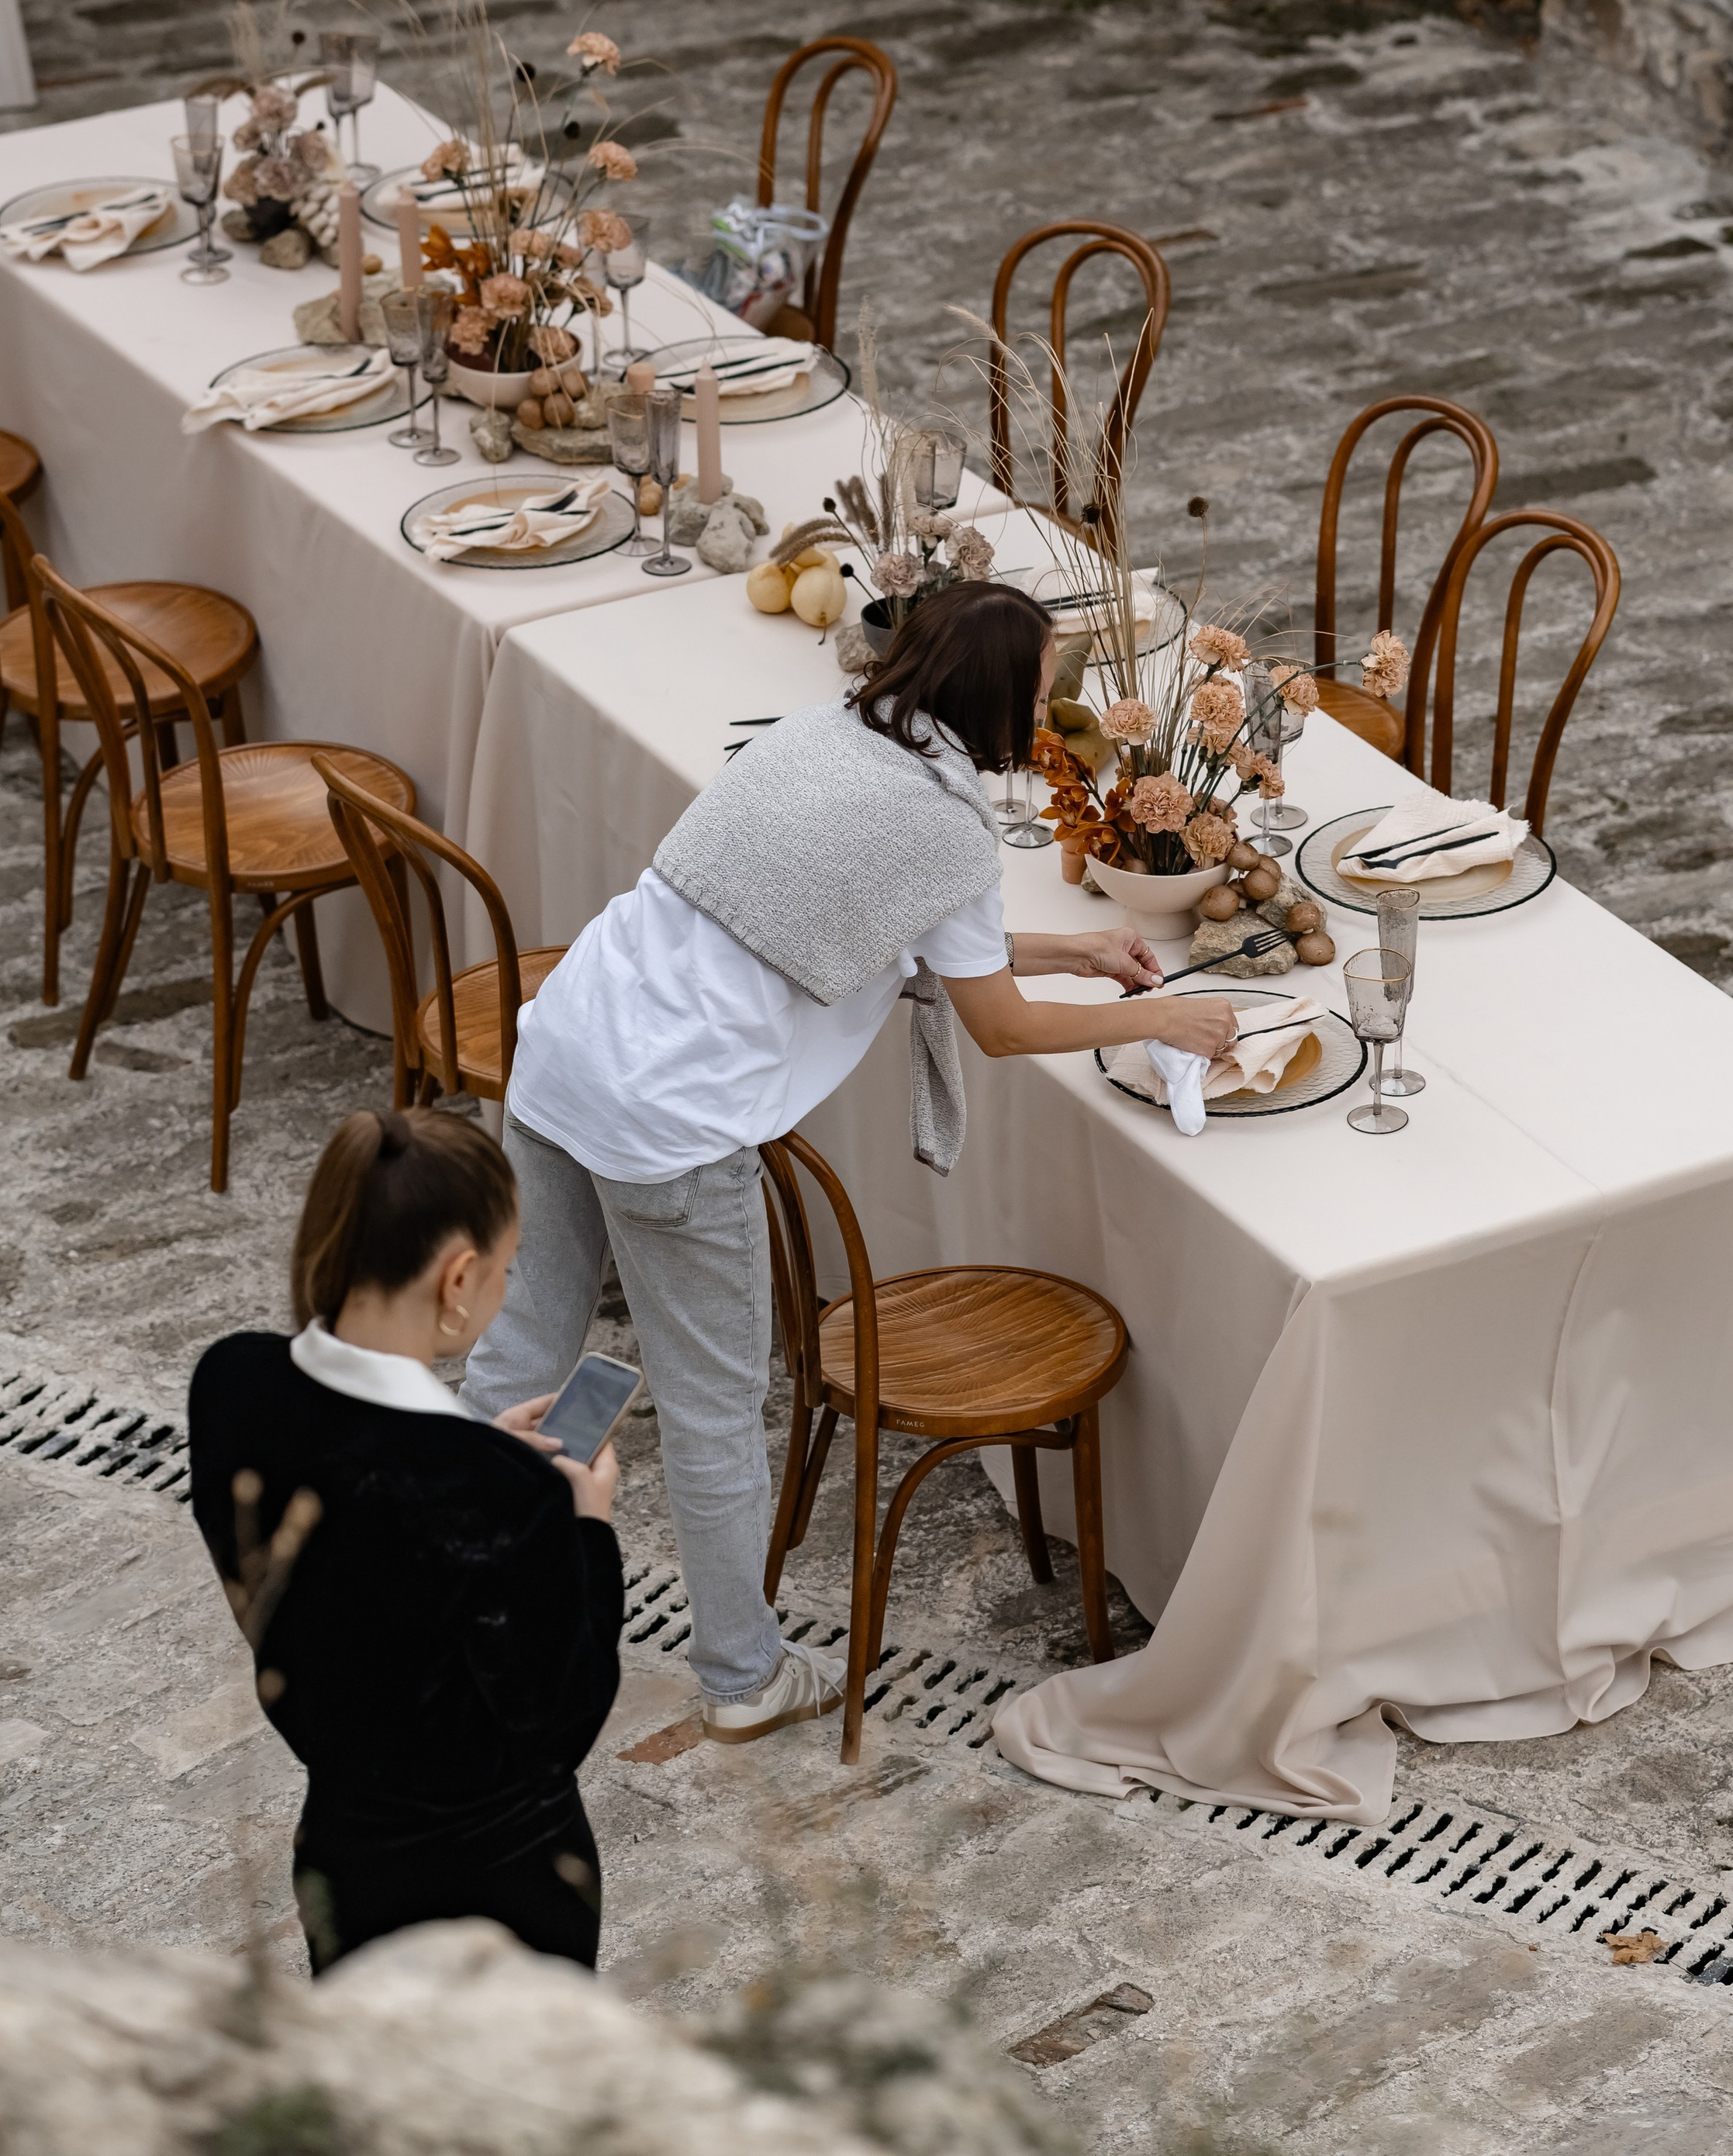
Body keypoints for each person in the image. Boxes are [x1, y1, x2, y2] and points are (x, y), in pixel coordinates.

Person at [464, 576, 1238, 1744]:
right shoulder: (944, 824)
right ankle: (740, 1680)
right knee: (714, 1413)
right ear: (994, 700)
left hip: (569, 1050)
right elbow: (1000, 1026)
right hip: (672, 1123)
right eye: (1038, 688)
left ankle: (455, 1579)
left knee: (527, 1348)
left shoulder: (822, 739)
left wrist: (1073, 952)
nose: (1047, 706)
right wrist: (1159, 1023)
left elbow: (879, 927)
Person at [188, 1107, 623, 1975]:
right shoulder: (504, 1495)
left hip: (344, 1850)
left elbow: (366, 1516)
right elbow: (560, 1720)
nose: (504, 1286)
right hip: (502, 1881)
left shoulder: (230, 1380)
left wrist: (476, 1441)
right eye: (508, 1267)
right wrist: (588, 1527)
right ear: (459, 1277)